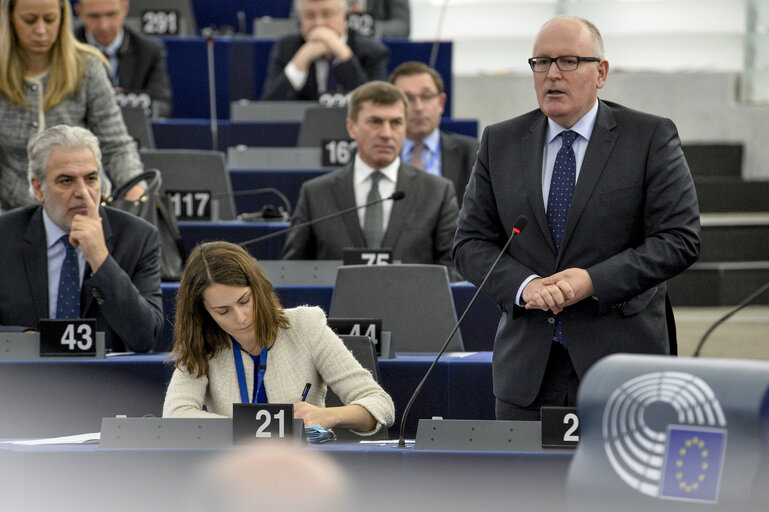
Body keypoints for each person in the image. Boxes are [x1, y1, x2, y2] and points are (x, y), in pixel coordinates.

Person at [453, 16, 701, 420]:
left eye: (568, 61)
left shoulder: (649, 138)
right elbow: (469, 244)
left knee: (615, 487)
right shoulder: (500, 142)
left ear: (601, 72)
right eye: (541, 62)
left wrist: (592, 281)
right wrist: (525, 285)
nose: (552, 74)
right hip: (527, 372)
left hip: (622, 370)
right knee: (523, 485)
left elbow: (679, 240)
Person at [163, 241, 395, 435]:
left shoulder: (306, 325)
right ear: (204, 313)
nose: (241, 317)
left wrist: (329, 415)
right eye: (223, 311)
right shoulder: (200, 342)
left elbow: (380, 404)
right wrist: (257, 427)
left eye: (244, 301)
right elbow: (175, 415)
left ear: (259, 289)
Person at [0, 125, 163, 353]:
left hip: (106, 383)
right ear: (38, 188)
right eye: (66, 181)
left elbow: (146, 337)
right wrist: (25, 339)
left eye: (91, 179)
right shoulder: (5, 236)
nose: (82, 192)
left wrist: (100, 259)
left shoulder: (138, 238)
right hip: (23, 381)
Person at [280, 81, 460, 277]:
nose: (386, 134)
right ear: (351, 127)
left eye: (396, 123)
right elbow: (292, 270)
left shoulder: (437, 192)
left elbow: (454, 270)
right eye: (375, 122)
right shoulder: (315, 193)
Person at [0, 0, 145, 213]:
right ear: (9, 18)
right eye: (29, 20)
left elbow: (116, 145)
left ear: (63, 17)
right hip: (11, 212)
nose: (41, 30)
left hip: (85, 206)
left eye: (50, 20)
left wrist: (136, 189)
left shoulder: (88, 66)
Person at [261, 0, 390, 101]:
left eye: (327, 14)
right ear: (300, 21)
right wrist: (301, 60)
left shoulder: (372, 51)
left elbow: (378, 105)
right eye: (310, 16)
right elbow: (269, 108)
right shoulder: (286, 48)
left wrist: (344, 56)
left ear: (344, 17)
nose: (319, 23)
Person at [389, 61, 479, 205]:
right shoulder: (381, 153)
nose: (418, 107)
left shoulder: (472, 153)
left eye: (426, 96)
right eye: (407, 98)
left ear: (441, 103)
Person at [74, 0, 173, 118]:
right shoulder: (65, 49)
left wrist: (127, 100)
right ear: (79, 13)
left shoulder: (149, 50)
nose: (103, 26)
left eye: (111, 15)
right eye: (94, 16)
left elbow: (162, 106)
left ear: (125, 9)